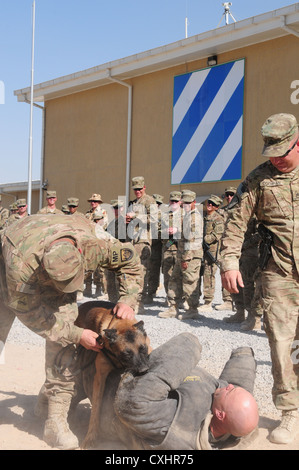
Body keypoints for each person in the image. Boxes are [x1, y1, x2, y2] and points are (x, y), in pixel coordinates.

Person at [0, 213, 142, 450]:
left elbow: (130, 259)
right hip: (7, 269)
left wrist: (128, 298)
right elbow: (35, 317)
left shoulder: (95, 244)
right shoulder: (21, 268)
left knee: (64, 332)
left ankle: (54, 419)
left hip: (51, 246)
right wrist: (78, 334)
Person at [220, 113, 299, 445]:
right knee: (282, 344)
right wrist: (228, 262)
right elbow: (235, 222)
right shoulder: (258, 181)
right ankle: (291, 412)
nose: (277, 159)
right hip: (279, 273)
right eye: (272, 152)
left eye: (283, 150)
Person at [80, 333, 259, 450]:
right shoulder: (227, 418)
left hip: (103, 385)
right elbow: (237, 395)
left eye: (229, 391)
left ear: (219, 414)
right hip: (125, 367)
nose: (227, 387)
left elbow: (131, 402)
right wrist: (243, 355)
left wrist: (189, 345)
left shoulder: (178, 428)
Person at [160, 190, 202, 321]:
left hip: (190, 256)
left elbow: (191, 240)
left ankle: (192, 310)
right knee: (174, 280)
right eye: (185, 203)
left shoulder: (194, 218)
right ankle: (173, 307)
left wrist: (186, 258)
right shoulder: (187, 216)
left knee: (189, 282)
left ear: (194, 202)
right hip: (181, 254)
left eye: (189, 203)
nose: (186, 205)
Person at [126, 176, 157, 314]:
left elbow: (155, 218)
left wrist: (135, 217)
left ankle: (140, 303)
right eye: (135, 189)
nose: (137, 191)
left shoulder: (149, 201)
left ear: (144, 187)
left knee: (141, 273)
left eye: (139, 189)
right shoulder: (133, 202)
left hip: (143, 242)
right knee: (133, 273)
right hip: (133, 241)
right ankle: (132, 301)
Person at [198, 195, 232, 312]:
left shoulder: (218, 219)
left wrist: (203, 239)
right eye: (209, 202)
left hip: (212, 252)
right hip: (202, 251)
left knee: (209, 275)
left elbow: (217, 235)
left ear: (217, 207)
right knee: (202, 274)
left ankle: (208, 302)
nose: (209, 205)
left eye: (212, 204)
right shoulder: (204, 218)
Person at [160, 191, 183, 309]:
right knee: (167, 274)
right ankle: (170, 297)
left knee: (181, 274)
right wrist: (166, 232)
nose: (174, 203)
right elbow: (158, 231)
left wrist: (177, 230)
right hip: (168, 248)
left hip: (181, 249)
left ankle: (182, 298)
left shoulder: (186, 215)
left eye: (176, 201)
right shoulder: (165, 216)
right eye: (172, 201)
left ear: (180, 202)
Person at [84, 194, 108, 297]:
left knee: (99, 267)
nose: (93, 203)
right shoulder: (87, 214)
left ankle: (99, 288)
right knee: (88, 265)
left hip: (98, 241)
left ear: (99, 202)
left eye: (95, 201)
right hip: (89, 242)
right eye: (92, 201)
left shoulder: (103, 212)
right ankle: (88, 287)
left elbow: (104, 225)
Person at [146, 193, 164, 304]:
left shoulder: (163, 216)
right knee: (151, 271)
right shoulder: (147, 215)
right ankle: (151, 292)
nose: (156, 205)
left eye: (158, 204)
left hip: (160, 246)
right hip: (149, 247)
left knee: (166, 272)